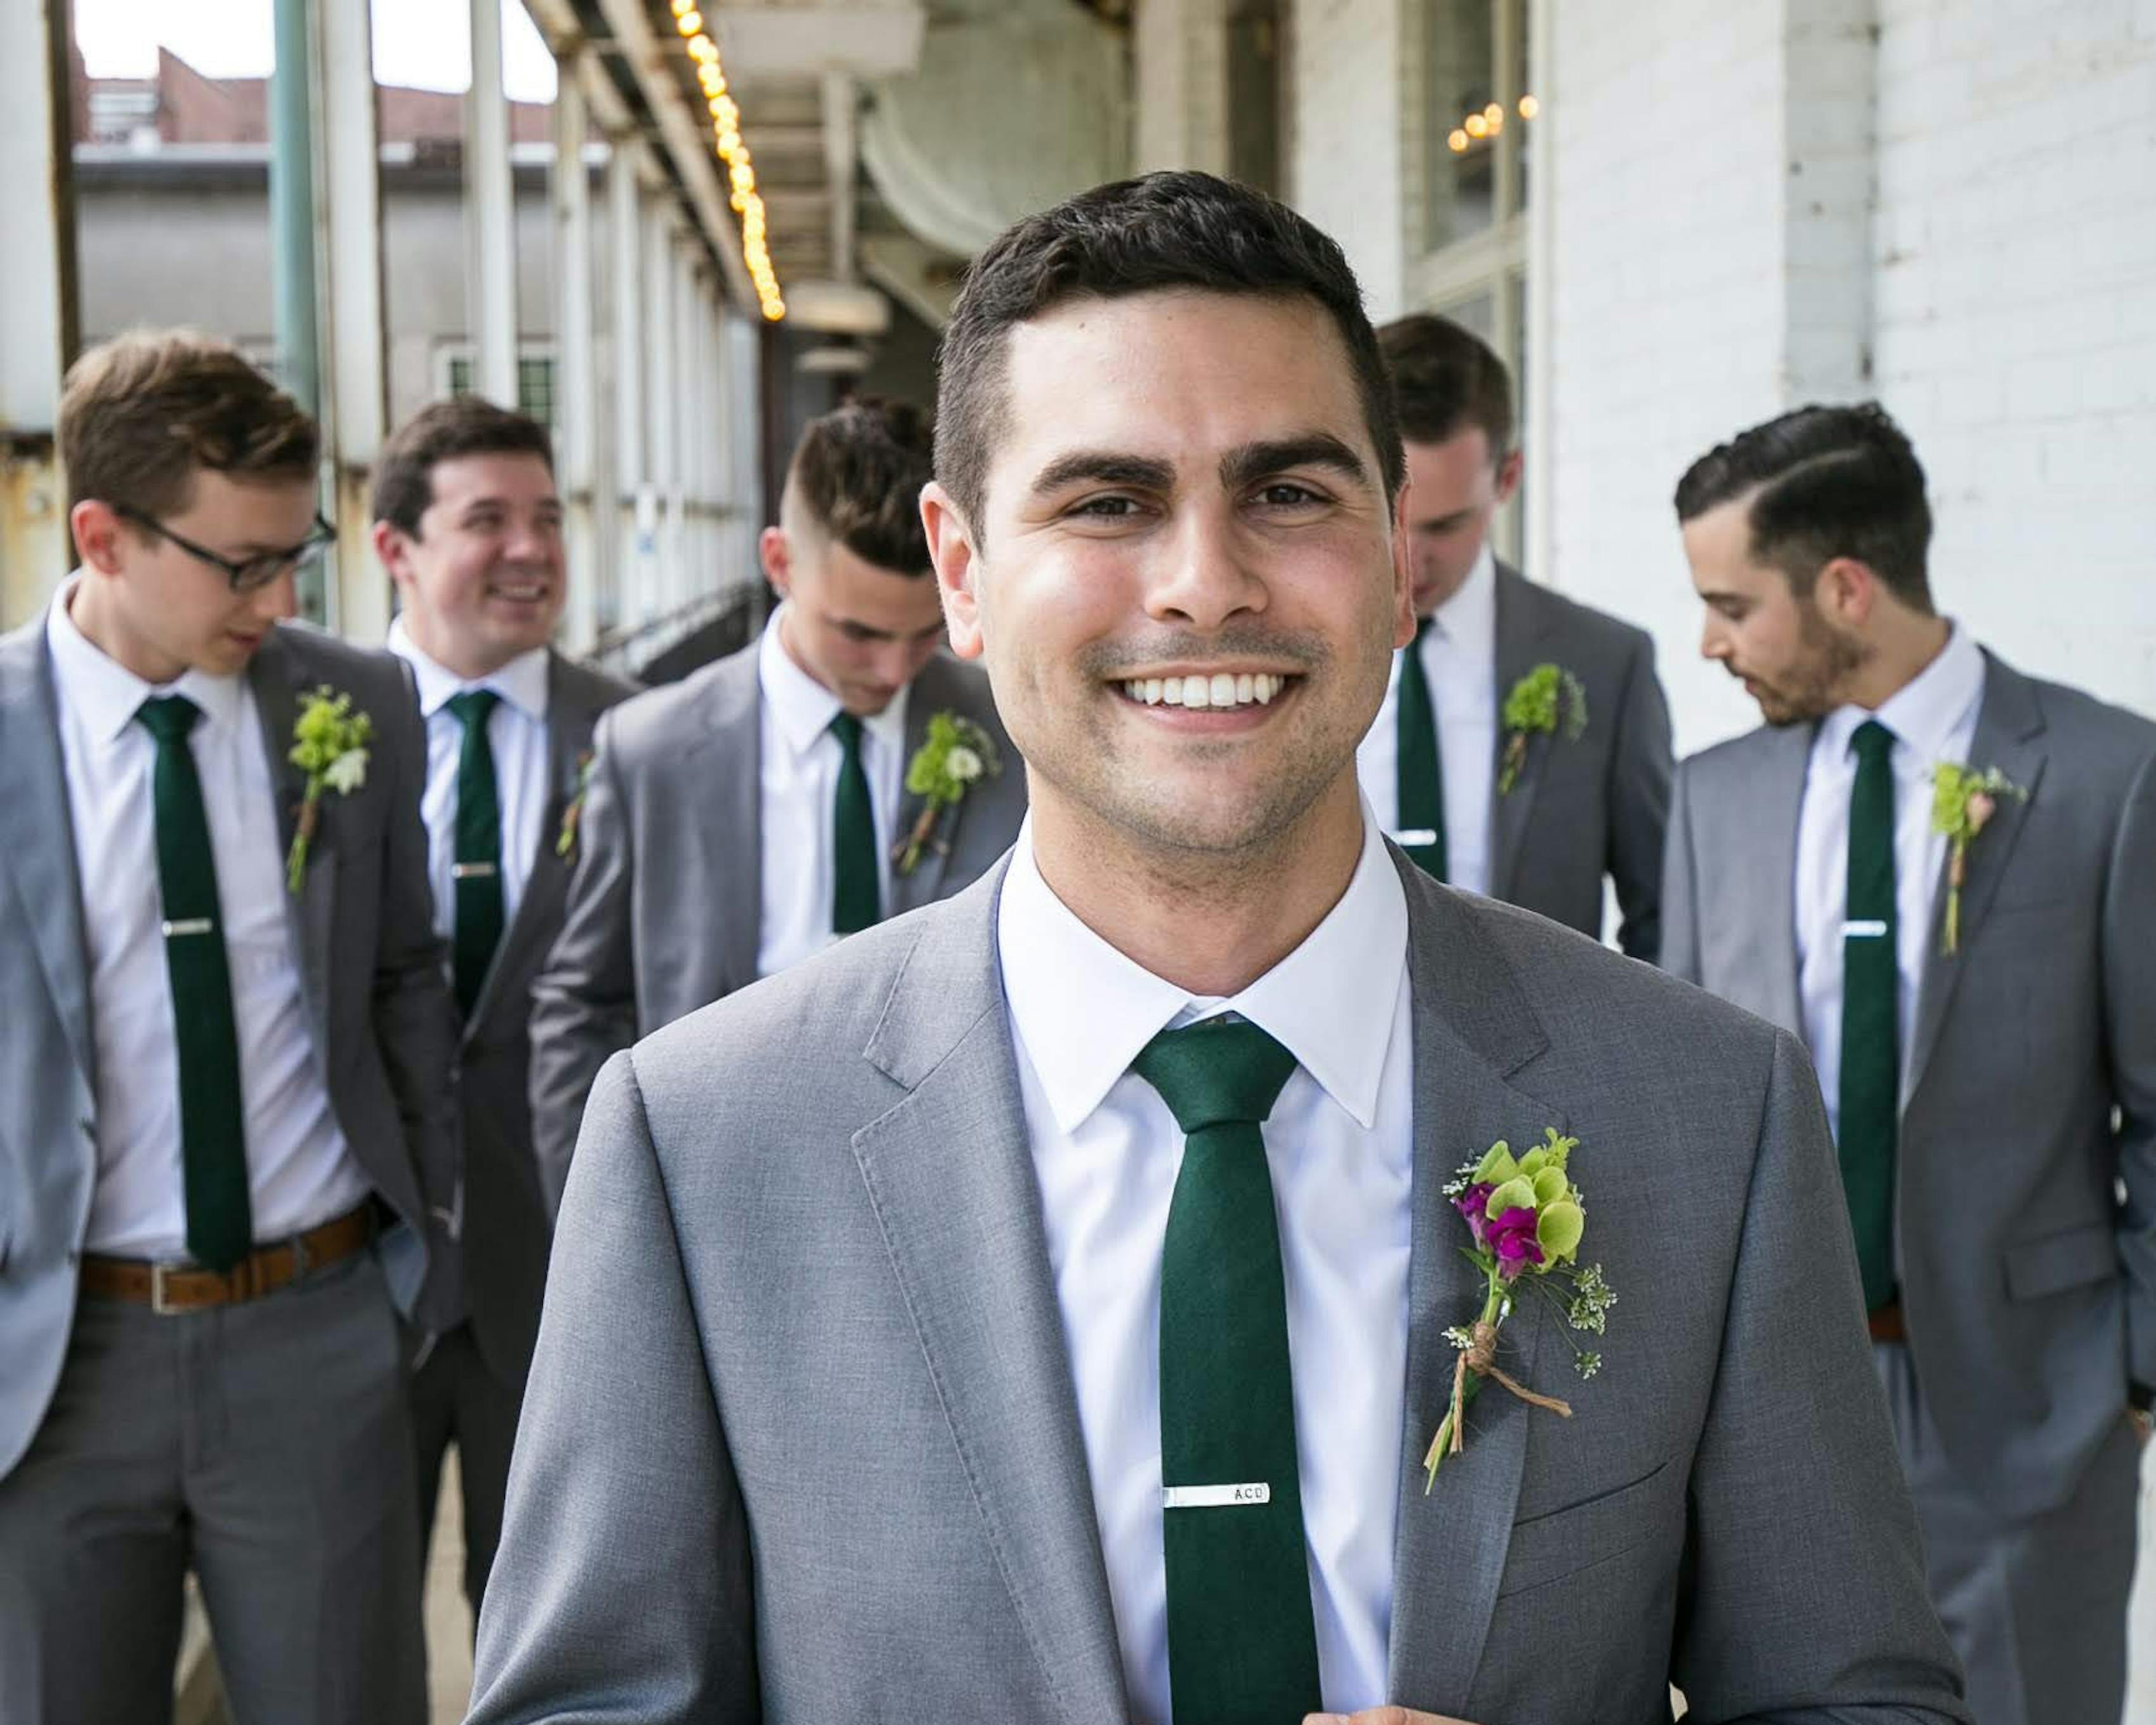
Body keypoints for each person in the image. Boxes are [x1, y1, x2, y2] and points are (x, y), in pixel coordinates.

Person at [469, 174, 1964, 1725]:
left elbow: (1853, 1698)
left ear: (1401, 558)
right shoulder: (701, 1144)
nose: (1205, 582)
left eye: (1289, 493)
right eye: (1106, 502)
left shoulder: (1704, 1111)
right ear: (962, 572)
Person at [1663, 401, 2156, 1725]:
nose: (1708, 643)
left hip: (2029, 1411)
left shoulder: (2109, 777)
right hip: (1767, 1418)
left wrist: (2134, 1371)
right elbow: (1683, 1109)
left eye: (1731, 605)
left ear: (1845, 589)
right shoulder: (1710, 800)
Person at [0, 331, 460, 1724]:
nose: (280, 596)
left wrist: (418, 1254)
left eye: (293, 553)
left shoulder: (352, 702)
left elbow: (403, 974)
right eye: (241, 564)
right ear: (103, 536)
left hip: (314, 1333)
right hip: (52, 1359)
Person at [525, 396, 1024, 1204]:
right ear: (780, 562)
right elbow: (582, 1006)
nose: (893, 669)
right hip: (720, 1181)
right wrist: (599, 1216)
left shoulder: (1004, 725)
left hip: (949, 1181)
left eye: (923, 633)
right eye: (858, 632)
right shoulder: (650, 747)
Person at [372, 396, 636, 1628]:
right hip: (359, 1273)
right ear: (395, 547)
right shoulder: (308, 732)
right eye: (487, 520)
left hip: (561, 1263)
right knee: (338, 1635)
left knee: (550, 1625)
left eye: (548, 518)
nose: (530, 550)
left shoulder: (635, 733)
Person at [1356, 315, 1670, 958]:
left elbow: (1663, 914)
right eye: (1392, 518)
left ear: (1507, 478)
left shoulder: (1604, 663)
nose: (1411, 558)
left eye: (1445, 525)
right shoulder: (1279, 654)